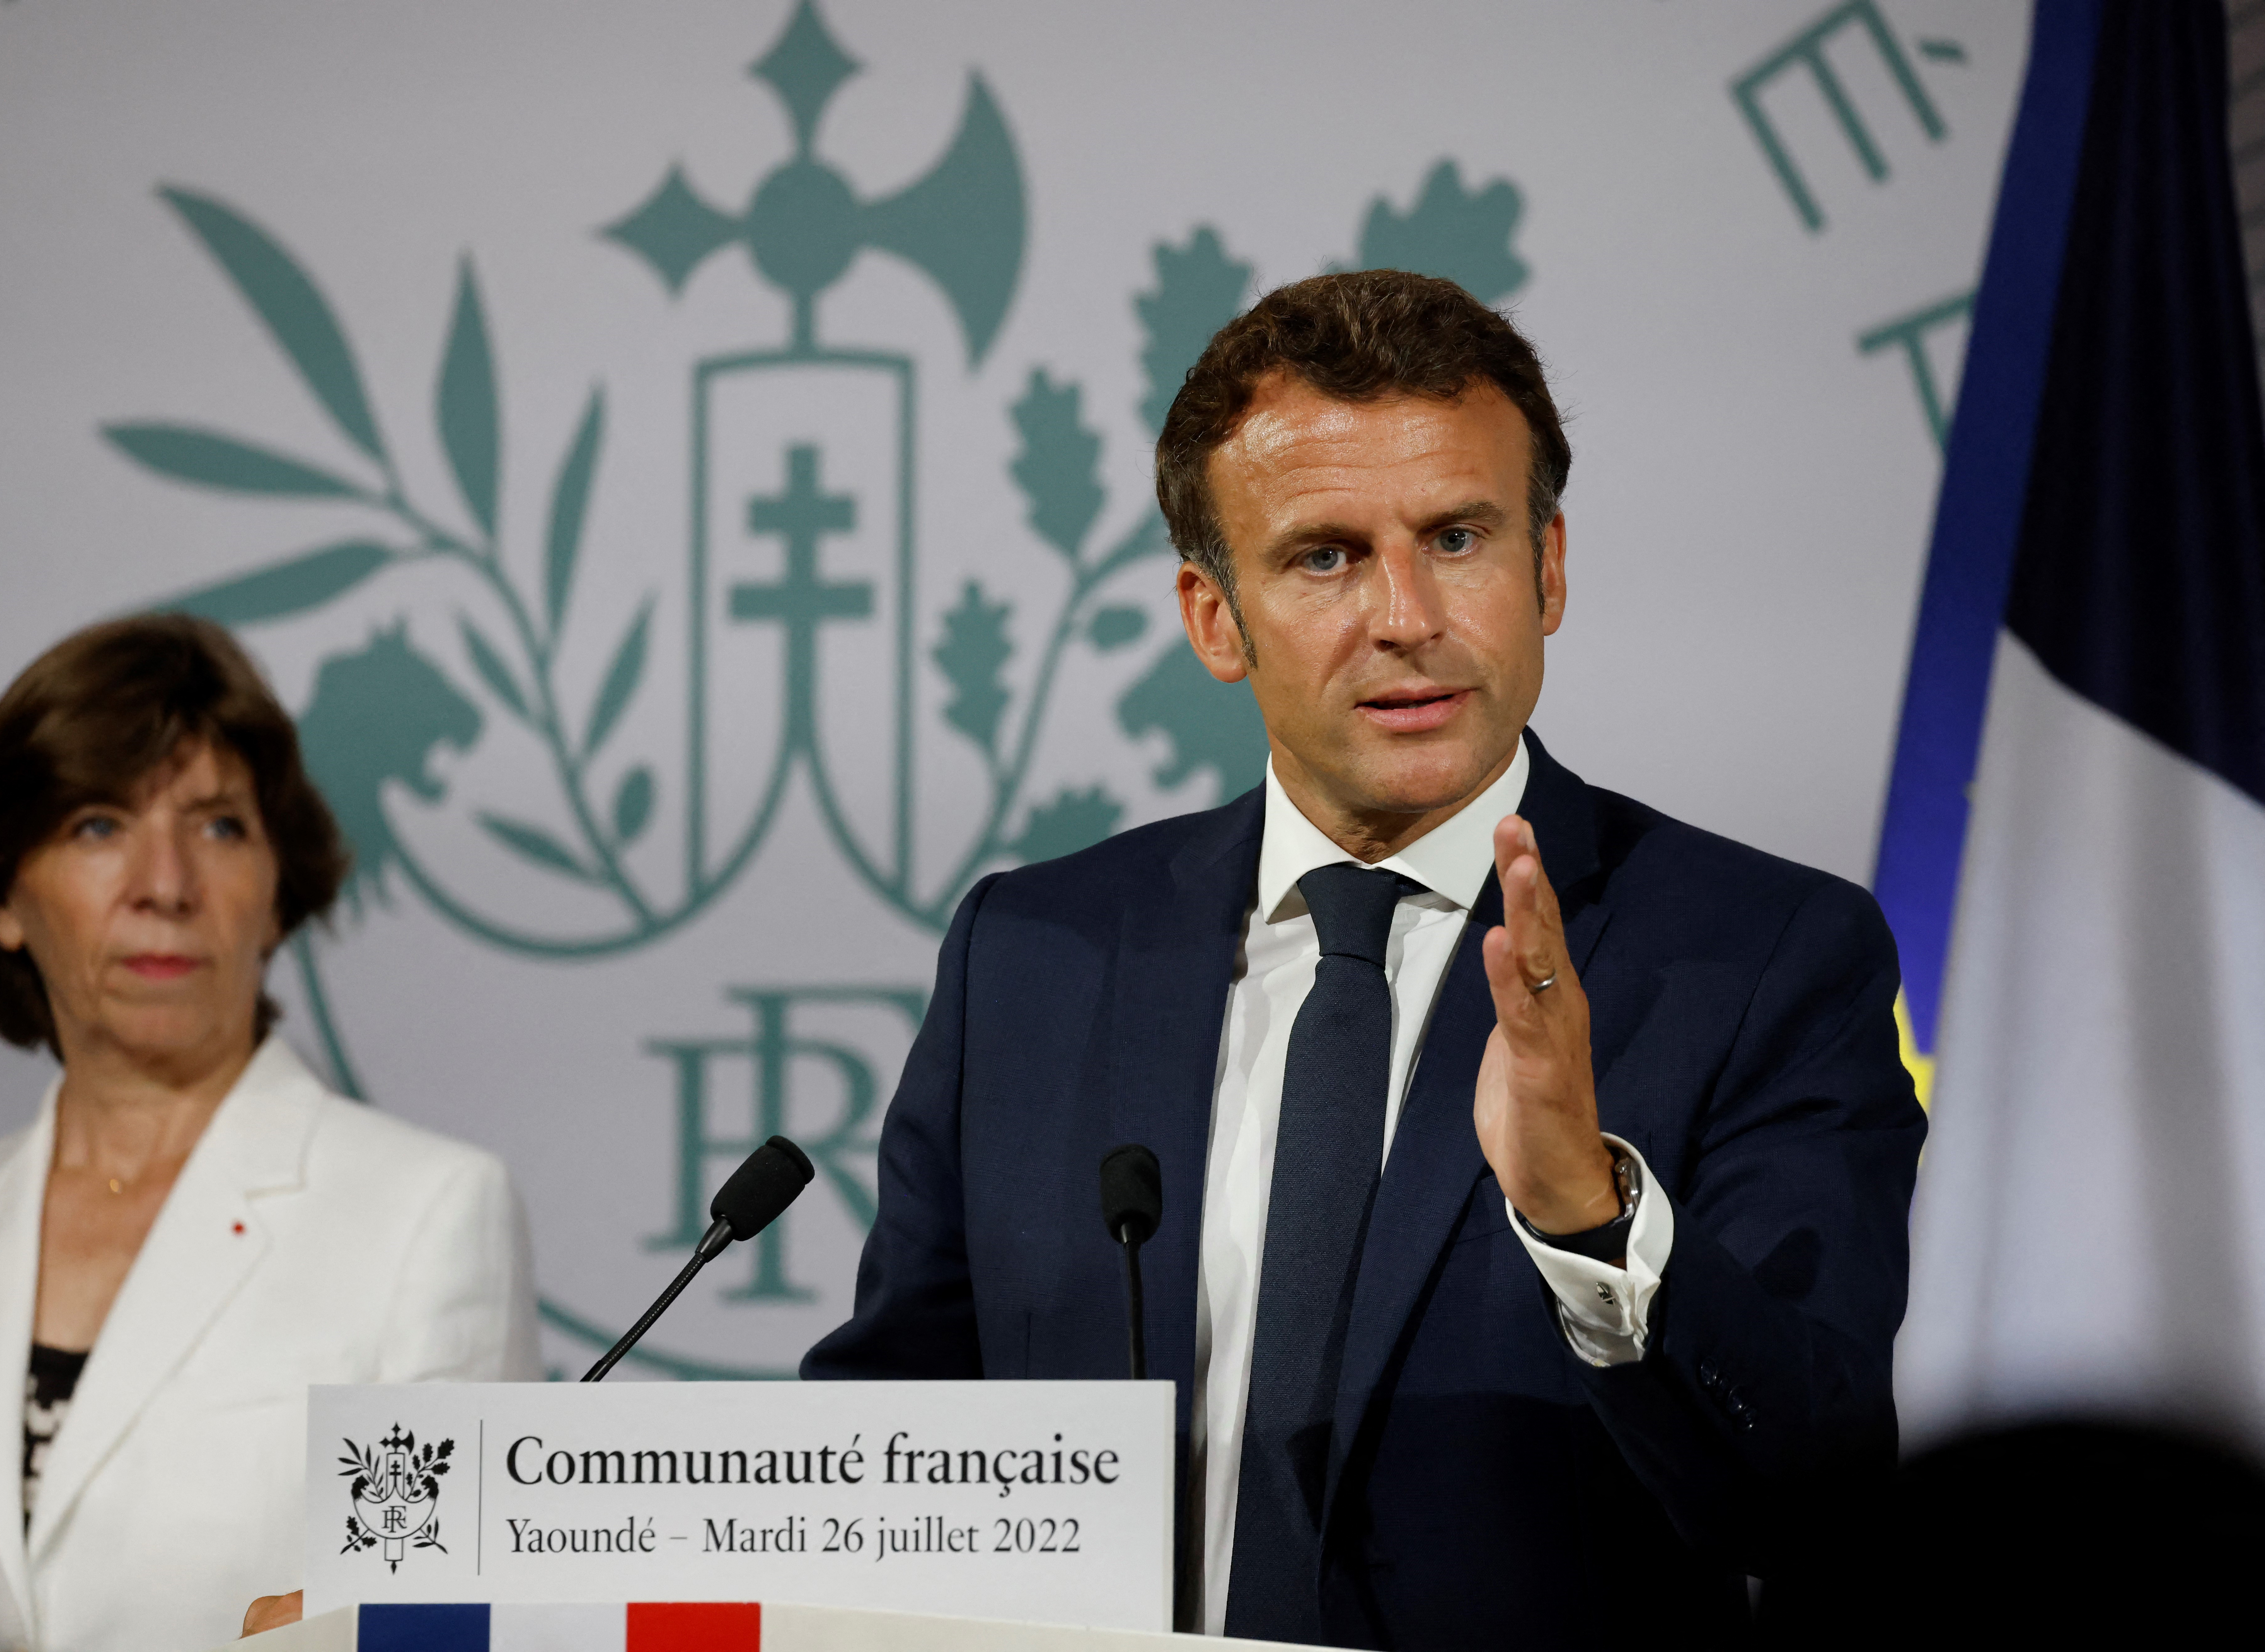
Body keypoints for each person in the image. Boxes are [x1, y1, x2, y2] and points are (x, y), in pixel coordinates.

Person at [804, 272, 1925, 1648]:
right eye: (1324, 555)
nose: (1406, 613)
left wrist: (1588, 1216)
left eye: (1457, 537)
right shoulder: (1033, 952)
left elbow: (1807, 1498)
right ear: (1213, 619)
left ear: (1546, 570)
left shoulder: (1756, 958)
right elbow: (893, 1455)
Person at [0, 615, 541, 1652]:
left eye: (220, 826)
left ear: (277, 893)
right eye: (99, 826)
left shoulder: (430, 1216)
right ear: (6, 895)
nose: (167, 885)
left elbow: (430, 1631)